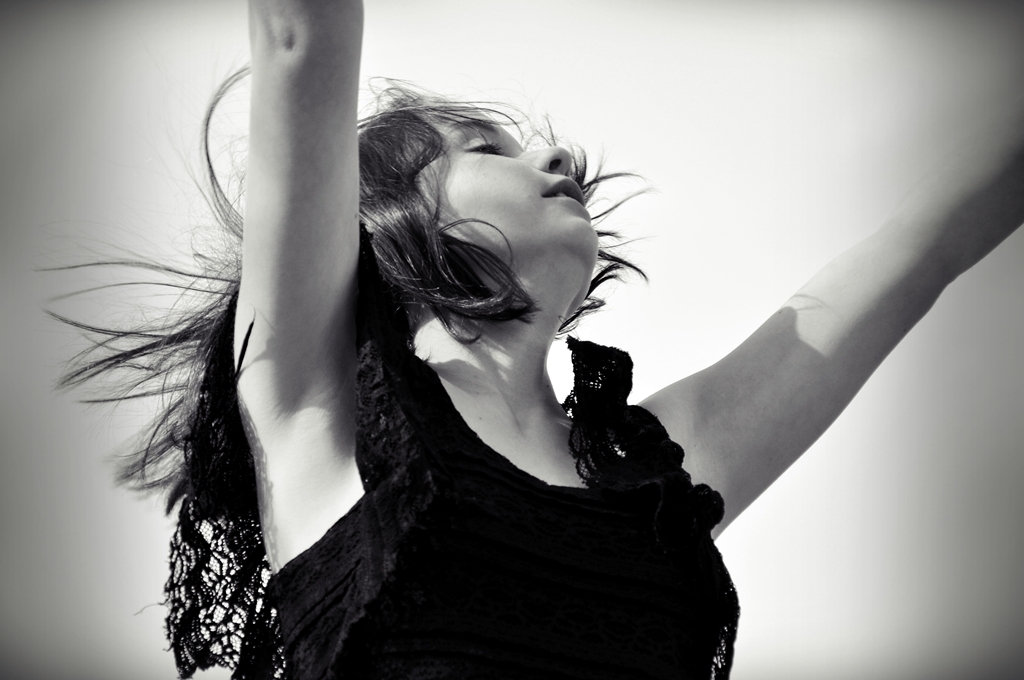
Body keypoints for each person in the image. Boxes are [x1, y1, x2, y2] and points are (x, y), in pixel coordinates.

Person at [53, 1, 1024, 679]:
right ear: (383, 220)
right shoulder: (316, 412)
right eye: (485, 149)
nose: (557, 154)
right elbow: (299, 34)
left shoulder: (658, 481)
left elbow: (926, 246)